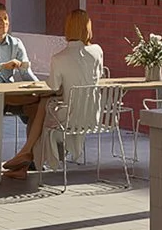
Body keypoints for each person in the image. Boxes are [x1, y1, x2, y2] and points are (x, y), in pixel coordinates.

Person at [0, 3, 48, 181]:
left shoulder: (16, 43)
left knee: (40, 105)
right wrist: (2, 66)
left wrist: (40, 87)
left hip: (12, 96)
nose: (3, 23)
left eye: (6, 19)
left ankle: (27, 159)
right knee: (30, 102)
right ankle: (23, 158)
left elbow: (26, 71)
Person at [32, 9, 106, 172]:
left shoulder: (59, 58)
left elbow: (53, 86)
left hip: (70, 116)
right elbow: (98, 76)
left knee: (42, 114)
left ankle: (37, 159)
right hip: (93, 114)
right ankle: (58, 154)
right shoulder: (97, 51)